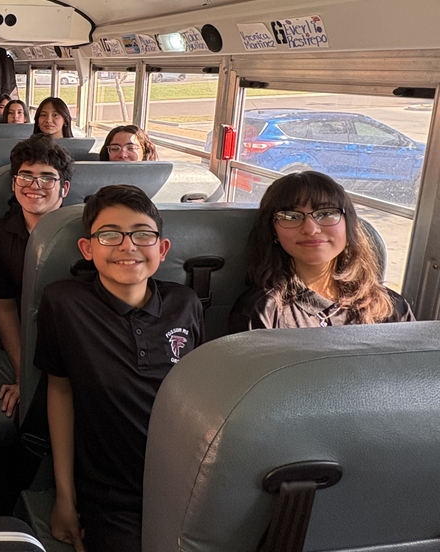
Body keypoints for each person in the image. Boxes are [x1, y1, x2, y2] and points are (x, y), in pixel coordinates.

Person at [36, 185, 204, 552]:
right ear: (87, 248)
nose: (127, 246)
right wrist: (65, 497)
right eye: (110, 235)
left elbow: (201, 396)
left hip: (190, 483)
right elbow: (60, 391)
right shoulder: (64, 303)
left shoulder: (185, 303)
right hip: (111, 495)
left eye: (142, 234)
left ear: (162, 249)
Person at [230, 171, 414, 331]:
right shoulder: (262, 311)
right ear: (273, 231)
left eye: (326, 213)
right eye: (291, 216)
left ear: (348, 225)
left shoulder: (390, 307)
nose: (311, 229)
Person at [0, 134, 73, 417]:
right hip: (28, 333)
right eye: (26, 176)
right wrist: (24, 376)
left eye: (47, 178)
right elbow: (5, 306)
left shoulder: (82, 233)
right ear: (13, 183)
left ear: (64, 188)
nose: (34, 186)